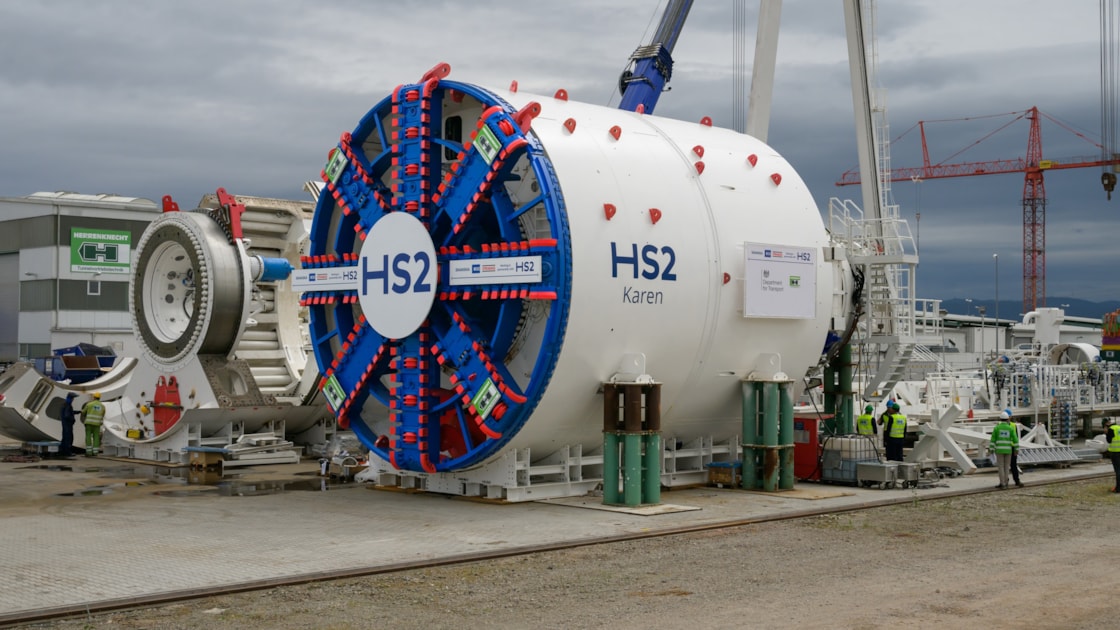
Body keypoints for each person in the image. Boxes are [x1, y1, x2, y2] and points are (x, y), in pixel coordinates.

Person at [989, 410, 1019, 489]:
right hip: (1008, 450)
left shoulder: (997, 428)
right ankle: (1006, 483)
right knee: (1006, 467)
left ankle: (1002, 483)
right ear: (1007, 419)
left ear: (1000, 419)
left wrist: (991, 449)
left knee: (1001, 467)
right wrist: (1016, 449)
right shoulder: (1010, 428)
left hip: (999, 450)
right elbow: (1015, 440)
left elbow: (993, 440)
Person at [81, 392, 106, 457]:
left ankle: (89, 452)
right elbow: (103, 415)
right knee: (96, 437)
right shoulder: (102, 406)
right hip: (97, 424)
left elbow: (83, 412)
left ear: (94, 397)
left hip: (89, 423)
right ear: (99, 398)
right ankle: (95, 452)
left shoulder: (89, 404)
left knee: (88, 437)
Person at [1006, 409, 1024, 488]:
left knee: (1004, 466)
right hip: (1012, 448)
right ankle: (1016, 481)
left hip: (1004, 448)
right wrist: (1016, 449)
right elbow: (1016, 438)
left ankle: (1004, 482)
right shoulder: (1013, 426)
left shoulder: (999, 425)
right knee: (1013, 465)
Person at [58, 392, 78, 457]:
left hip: (64, 424)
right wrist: (72, 419)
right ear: (71, 398)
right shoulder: (68, 405)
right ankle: (68, 453)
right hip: (68, 424)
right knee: (69, 438)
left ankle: (62, 452)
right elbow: (67, 415)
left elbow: (70, 412)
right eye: (73, 398)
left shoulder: (64, 404)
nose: (73, 399)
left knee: (65, 438)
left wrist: (78, 412)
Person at [1105, 418, 1120, 493]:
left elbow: (1109, 440)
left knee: (1118, 470)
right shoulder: (1119, 428)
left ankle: (1118, 489)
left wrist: (1106, 433)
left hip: (1115, 452)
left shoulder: (1111, 429)